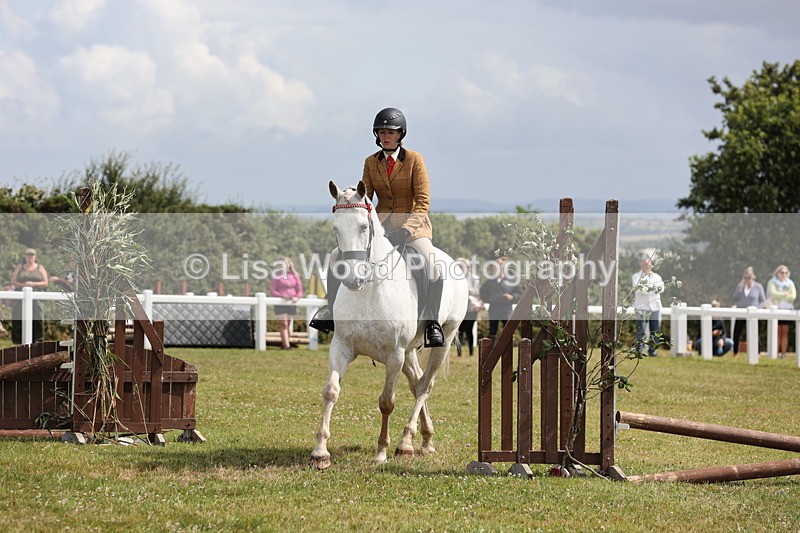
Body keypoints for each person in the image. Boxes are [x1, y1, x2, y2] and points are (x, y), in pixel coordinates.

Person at [310, 107, 445, 347]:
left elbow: (423, 201)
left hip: (414, 229)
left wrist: (407, 229)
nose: (386, 136)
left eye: (390, 132)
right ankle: (330, 311)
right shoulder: (371, 162)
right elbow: (366, 198)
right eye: (382, 132)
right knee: (336, 256)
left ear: (400, 134)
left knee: (431, 264)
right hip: (381, 229)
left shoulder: (414, 160)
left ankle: (432, 322)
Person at [10, 248, 48, 344]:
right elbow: (13, 281)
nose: (30, 257)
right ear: (25, 256)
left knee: (37, 316)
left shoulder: (40, 267)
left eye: (32, 255)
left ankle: (38, 339)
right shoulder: (20, 267)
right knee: (18, 315)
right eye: (28, 255)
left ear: (35, 256)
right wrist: (23, 285)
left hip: (36, 295)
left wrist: (33, 284)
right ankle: (17, 340)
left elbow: (45, 282)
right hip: (21, 294)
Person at [479, 256, 521, 342]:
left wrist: (512, 297)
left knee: (508, 330)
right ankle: (492, 348)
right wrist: (490, 299)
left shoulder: (512, 281)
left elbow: (520, 293)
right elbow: (483, 293)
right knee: (492, 331)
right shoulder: (489, 282)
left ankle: (508, 347)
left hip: (507, 308)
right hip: (494, 308)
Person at [632, 253, 664, 356]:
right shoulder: (636, 276)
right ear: (641, 265)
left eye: (648, 264)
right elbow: (639, 290)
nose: (647, 266)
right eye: (645, 264)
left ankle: (652, 351)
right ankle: (639, 350)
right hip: (641, 307)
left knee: (655, 330)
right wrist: (653, 288)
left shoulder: (657, 277)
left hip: (655, 307)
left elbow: (661, 288)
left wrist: (648, 288)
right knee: (641, 329)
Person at [269, 257, 303, 350]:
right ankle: (286, 345)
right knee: (283, 324)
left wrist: (297, 297)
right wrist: (282, 296)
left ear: (289, 265)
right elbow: (272, 290)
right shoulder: (276, 276)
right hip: (280, 303)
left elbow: (300, 290)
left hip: (291, 303)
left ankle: (286, 342)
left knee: (288, 324)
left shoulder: (295, 276)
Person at [730, 266, 766, 355]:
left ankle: (758, 352)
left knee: (754, 332)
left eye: (749, 277)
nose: (747, 279)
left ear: (753, 277)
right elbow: (734, 298)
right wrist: (739, 288)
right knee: (737, 332)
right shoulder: (740, 287)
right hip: (741, 312)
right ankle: (735, 352)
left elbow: (763, 300)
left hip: (752, 313)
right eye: (745, 277)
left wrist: (758, 308)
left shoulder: (758, 287)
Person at [766, 264, 796, 357]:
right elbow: (773, 293)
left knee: (784, 333)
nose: (784, 275)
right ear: (777, 273)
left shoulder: (790, 283)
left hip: (787, 309)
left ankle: (783, 353)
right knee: (776, 332)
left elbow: (793, 296)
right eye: (782, 272)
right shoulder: (772, 282)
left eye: (786, 273)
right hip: (776, 309)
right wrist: (786, 294)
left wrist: (781, 295)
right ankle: (775, 353)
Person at [456, 258, 482, 356]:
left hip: (471, 308)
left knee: (469, 330)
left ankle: (471, 352)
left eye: (468, 266)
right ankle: (459, 352)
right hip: (460, 307)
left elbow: (477, 292)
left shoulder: (475, 278)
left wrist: (469, 290)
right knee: (460, 331)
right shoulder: (458, 278)